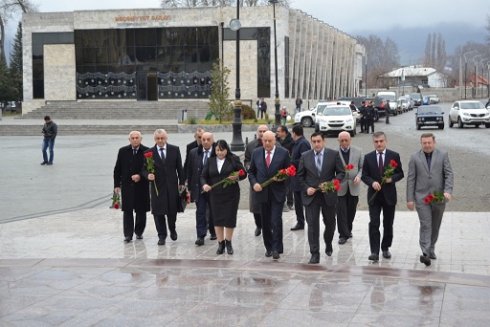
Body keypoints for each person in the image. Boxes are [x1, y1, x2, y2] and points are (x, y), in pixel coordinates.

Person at [406, 133, 453, 266]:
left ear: (434, 142)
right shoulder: (415, 157)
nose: (427, 145)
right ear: (421, 143)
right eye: (424, 143)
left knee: (435, 225)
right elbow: (411, 178)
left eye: (429, 143)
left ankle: (431, 247)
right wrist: (410, 199)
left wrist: (448, 191)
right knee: (426, 224)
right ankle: (425, 252)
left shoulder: (443, 155)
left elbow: (449, 173)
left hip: (438, 197)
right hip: (422, 197)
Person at [297, 132, 344, 264]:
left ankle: (328, 242)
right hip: (311, 196)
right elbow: (300, 177)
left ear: (324, 141)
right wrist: (306, 188)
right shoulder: (305, 156)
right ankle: (314, 253)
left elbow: (341, 173)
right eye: (314, 142)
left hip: (328, 195)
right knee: (312, 225)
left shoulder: (333, 155)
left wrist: (330, 184)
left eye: (319, 141)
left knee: (330, 223)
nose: (316, 144)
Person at [361, 131, 404, 262]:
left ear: (385, 141)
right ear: (373, 143)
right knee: (374, 223)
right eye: (376, 142)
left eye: (381, 141)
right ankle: (374, 251)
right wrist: (372, 182)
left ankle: (385, 247)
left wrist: (392, 179)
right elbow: (364, 175)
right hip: (374, 196)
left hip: (389, 196)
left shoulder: (394, 156)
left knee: (388, 223)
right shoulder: (368, 157)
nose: (379, 144)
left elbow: (400, 173)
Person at [248, 131, 291, 260]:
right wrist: (254, 183)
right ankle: (269, 247)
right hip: (261, 193)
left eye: (269, 141)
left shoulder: (283, 153)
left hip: (277, 193)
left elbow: (289, 172)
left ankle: (277, 248)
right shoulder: (256, 153)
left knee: (276, 220)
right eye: (264, 140)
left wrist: (283, 180)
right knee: (265, 222)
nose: (267, 143)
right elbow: (251, 172)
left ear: (274, 140)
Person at [201, 140, 247, 255]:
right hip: (215, 195)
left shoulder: (234, 159)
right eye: (217, 150)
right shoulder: (210, 160)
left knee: (229, 218)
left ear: (227, 150)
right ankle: (220, 243)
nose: (220, 153)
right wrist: (205, 185)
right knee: (217, 219)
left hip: (231, 195)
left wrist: (236, 176)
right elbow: (203, 176)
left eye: (222, 150)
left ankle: (228, 242)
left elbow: (243, 173)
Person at [142, 129, 185, 246]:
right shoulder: (148, 153)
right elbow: (143, 169)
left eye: (162, 138)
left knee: (172, 212)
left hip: (171, 186)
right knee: (158, 212)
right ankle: (161, 235)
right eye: (157, 138)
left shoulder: (174, 149)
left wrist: (182, 182)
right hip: (157, 187)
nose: (160, 140)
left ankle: (172, 228)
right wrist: (148, 175)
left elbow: (179, 168)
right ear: (154, 139)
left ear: (166, 138)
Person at [113, 131, 150, 243]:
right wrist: (116, 185)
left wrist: (140, 176)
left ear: (141, 139)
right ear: (129, 140)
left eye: (137, 138)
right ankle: (128, 234)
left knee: (141, 210)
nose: (135, 140)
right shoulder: (123, 151)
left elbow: (150, 169)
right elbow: (117, 169)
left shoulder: (147, 151)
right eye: (132, 138)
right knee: (127, 210)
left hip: (141, 185)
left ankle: (139, 231)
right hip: (127, 185)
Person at [186, 132, 216, 246]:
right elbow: (190, 170)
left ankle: (213, 231)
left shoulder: (217, 152)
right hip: (199, 188)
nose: (205, 142)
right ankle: (200, 235)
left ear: (212, 140)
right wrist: (189, 187)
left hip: (213, 188)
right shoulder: (194, 152)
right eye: (203, 139)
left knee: (213, 211)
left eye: (208, 139)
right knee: (200, 212)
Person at [336, 131, 364, 244]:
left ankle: (348, 230)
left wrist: (358, 176)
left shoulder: (358, 151)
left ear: (350, 140)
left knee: (351, 211)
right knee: (341, 211)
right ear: (338, 141)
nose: (344, 142)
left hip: (354, 185)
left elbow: (362, 168)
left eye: (346, 140)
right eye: (341, 140)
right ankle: (342, 234)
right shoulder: (334, 153)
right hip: (340, 186)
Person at [244, 125, 269, 237]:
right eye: (260, 131)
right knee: (255, 206)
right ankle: (259, 225)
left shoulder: (275, 144)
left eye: (264, 131)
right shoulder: (251, 146)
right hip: (256, 181)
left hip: (269, 181)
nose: (262, 133)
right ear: (257, 132)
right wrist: (251, 169)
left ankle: (268, 226)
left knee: (269, 206)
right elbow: (247, 161)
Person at [289, 124, 311, 231]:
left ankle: (307, 222)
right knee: (297, 202)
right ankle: (300, 222)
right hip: (295, 178)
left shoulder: (303, 143)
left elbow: (305, 159)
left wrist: (291, 162)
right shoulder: (297, 143)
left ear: (294, 133)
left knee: (303, 202)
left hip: (301, 178)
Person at [276, 125, 294, 210]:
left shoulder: (291, 141)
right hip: (278, 166)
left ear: (284, 132)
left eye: (278, 131)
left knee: (288, 186)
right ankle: (281, 203)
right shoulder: (276, 140)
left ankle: (290, 203)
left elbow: (292, 154)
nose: (277, 133)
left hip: (287, 166)